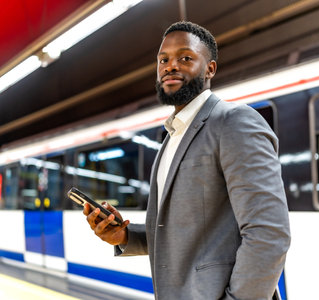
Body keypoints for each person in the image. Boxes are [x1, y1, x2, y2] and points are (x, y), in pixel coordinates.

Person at [84, 21, 291, 300]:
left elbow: (269, 233)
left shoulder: (233, 122)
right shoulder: (171, 137)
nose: (170, 66)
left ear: (210, 69)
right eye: (163, 60)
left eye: (185, 58)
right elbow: (182, 230)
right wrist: (123, 236)